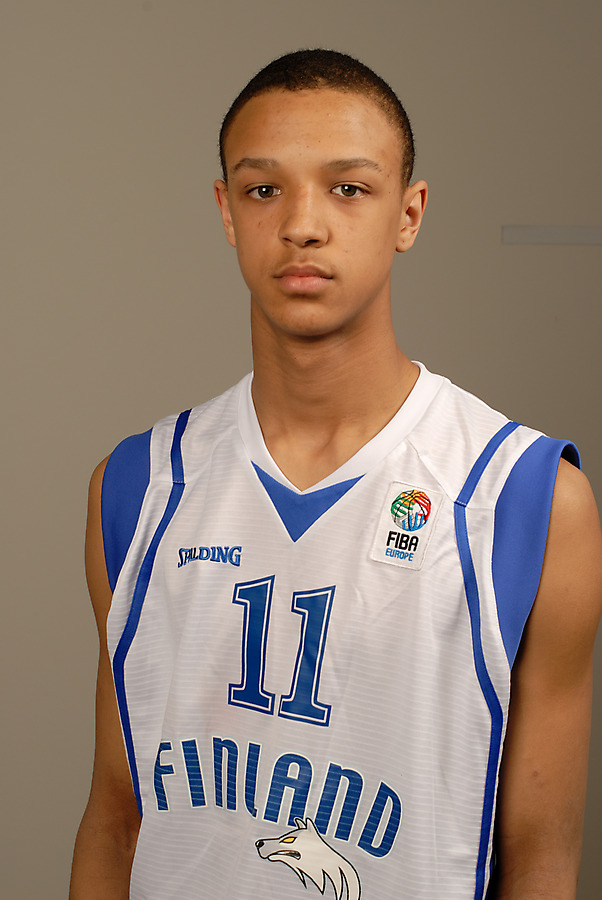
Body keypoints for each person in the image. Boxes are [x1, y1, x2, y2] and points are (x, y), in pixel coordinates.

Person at [70, 49, 602, 899]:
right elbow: (117, 818)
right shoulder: (138, 489)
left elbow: (540, 857)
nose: (302, 225)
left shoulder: (524, 501)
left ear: (408, 214)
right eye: (263, 189)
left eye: (348, 188)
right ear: (226, 210)